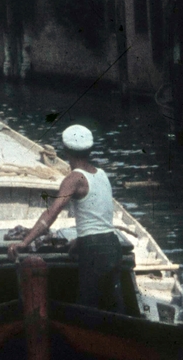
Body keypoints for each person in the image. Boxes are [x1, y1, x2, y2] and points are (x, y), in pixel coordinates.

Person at [7, 125, 123, 311]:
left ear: (66, 151)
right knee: (114, 307)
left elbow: (51, 213)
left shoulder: (74, 179)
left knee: (87, 309)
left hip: (93, 252)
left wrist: (25, 242)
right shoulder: (101, 175)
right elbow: (99, 217)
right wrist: (80, 239)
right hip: (112, 245)